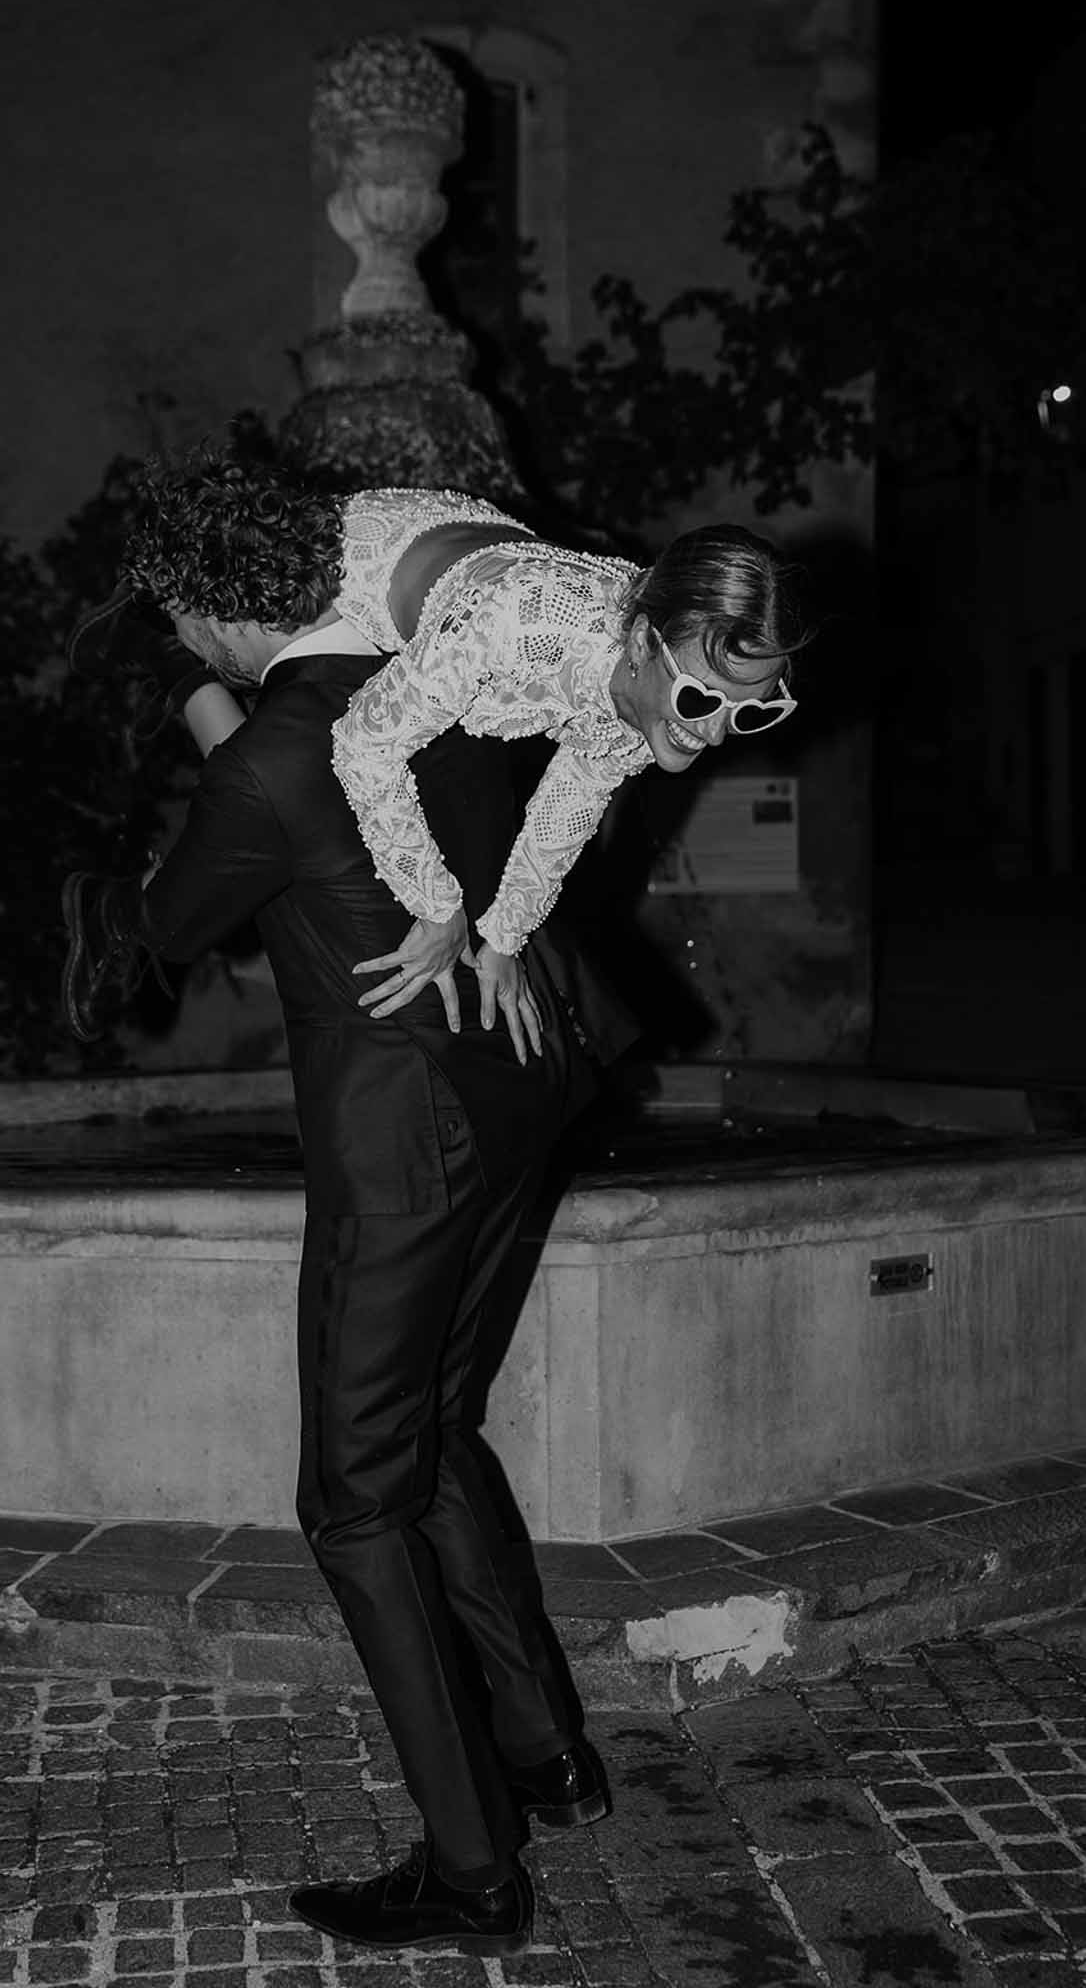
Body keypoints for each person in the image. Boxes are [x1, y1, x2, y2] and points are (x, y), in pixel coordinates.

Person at [60, 506, 630, 1957]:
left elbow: (179, 920)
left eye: (187, 634)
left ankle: (469, 1869)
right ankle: (544, 1757)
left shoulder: (267, 757)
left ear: (217, 615)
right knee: (433, 1434)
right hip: (520, 1090)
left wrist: (128, 851)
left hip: (404, 1150)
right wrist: (203, 701)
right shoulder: (437, 673)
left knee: (355, 1499)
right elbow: (308, 782)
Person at [91, 458, 803, 1028]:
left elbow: (569, 802)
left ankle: (174, 663)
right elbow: (365, 744)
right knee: (283, 754)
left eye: (750, 713)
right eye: (699, 699)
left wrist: (502, 942)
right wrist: (440, 911)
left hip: (470, 551)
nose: (712, 730)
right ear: (645, 643)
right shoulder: (511, 632)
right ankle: (169, 647)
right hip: (361, 567)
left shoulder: (642, 683)